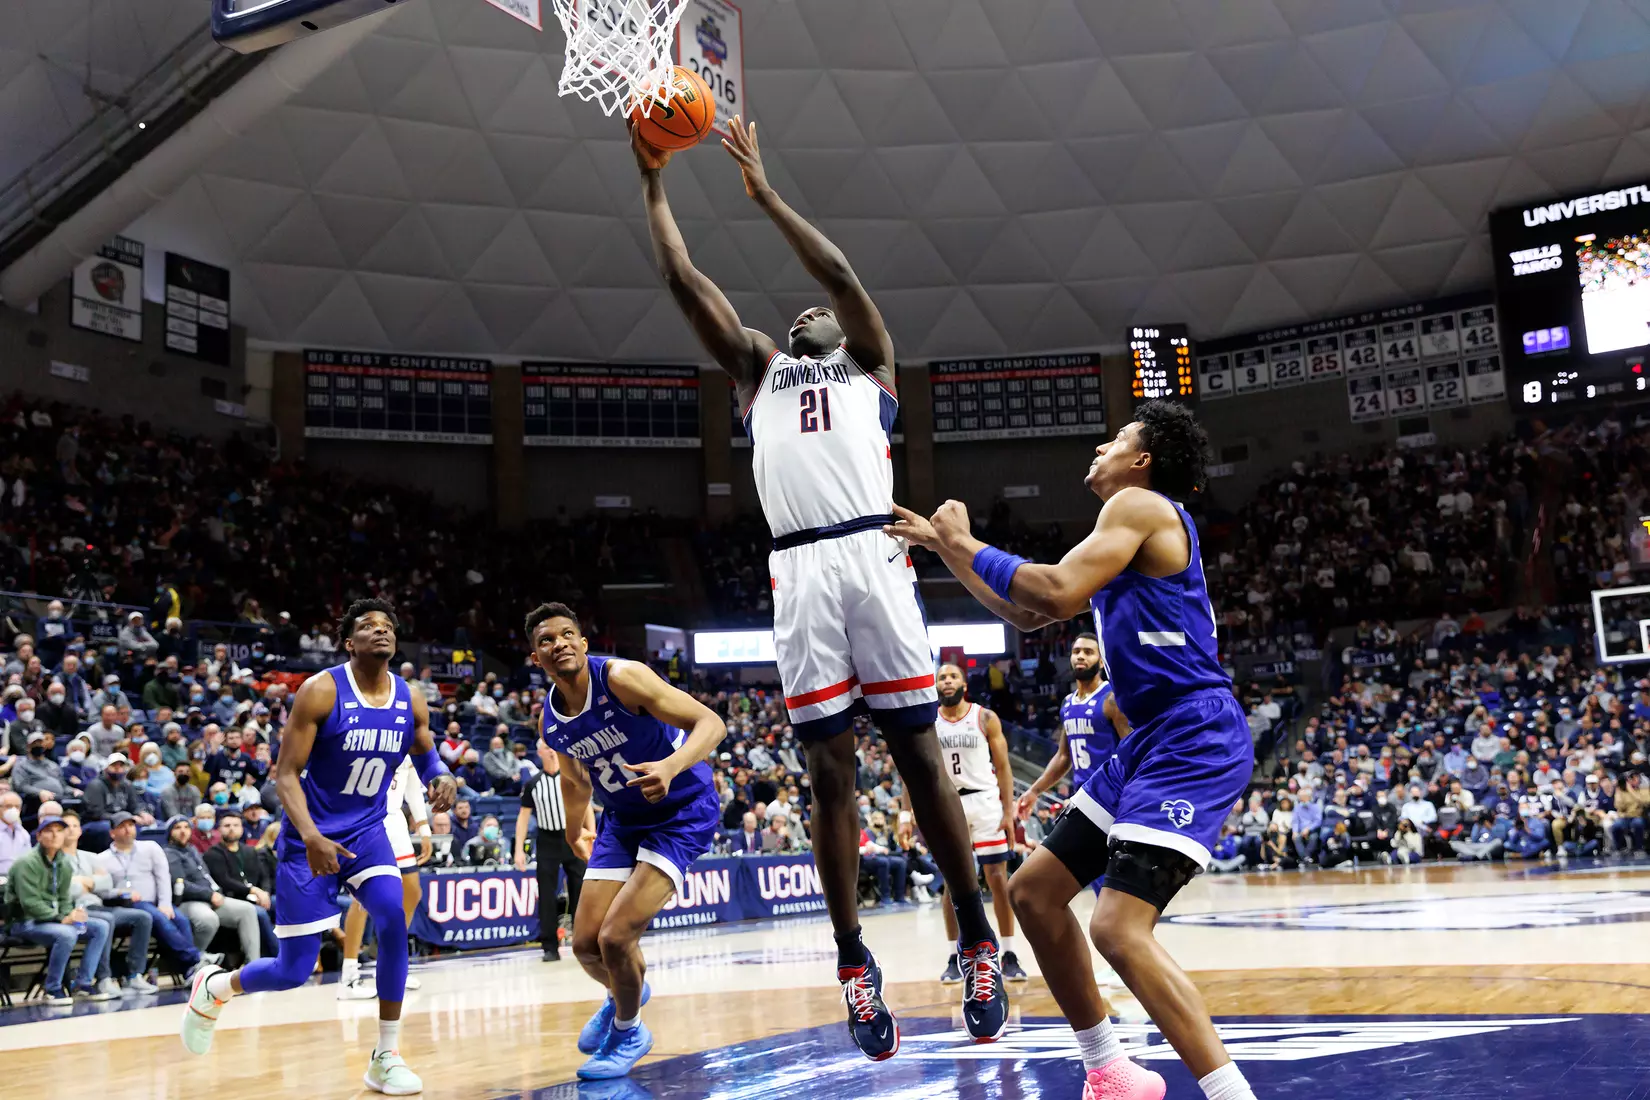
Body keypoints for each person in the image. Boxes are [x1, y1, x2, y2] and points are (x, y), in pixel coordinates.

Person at [636, 114, 1007, 1059]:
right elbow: (685, 282)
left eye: (817, 314)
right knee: (829, 776)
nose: (805, 314)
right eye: (794, 317)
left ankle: (975, 937)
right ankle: (852, 960)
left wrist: (763, 195)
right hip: (799, 566)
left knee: (922, 761)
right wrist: (654, 182)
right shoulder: (759, 371)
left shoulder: (872, 363)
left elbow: (839, 275)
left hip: (874, 557)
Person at [889, 400, 1259, 1100]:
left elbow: (1055, 592)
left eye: (1117, 438)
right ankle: (1111, 1071)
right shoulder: (1124, 524)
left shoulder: (1142, 505)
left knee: (1118, 928)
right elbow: (1030, 611)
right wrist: (947, 549)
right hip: (1152, 736)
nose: (1101, 445)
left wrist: (962, 542)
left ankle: (1231, 1095)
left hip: (1192, 732)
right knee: (1033, 892)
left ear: (1143, 460)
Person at [179, 599, 457, 1098]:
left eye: (388, 626)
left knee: (394, 917)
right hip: (310, 835)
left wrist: (441, 774)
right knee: (294, 969)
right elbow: (285, 774)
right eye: (368, 627)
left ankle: (386, 1056)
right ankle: (216, 987)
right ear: (349, 642)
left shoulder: (411, 697)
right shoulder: (321, 691)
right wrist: (310, 836)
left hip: (369, 830)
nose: (381, 632)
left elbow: (424, 745)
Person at [530, 602, 726, 1079]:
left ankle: (629, 1027)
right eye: (546, 640)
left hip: (681, 811)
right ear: (536, 658)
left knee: (617, 937)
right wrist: (579, 827)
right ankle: (628, 990)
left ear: (583, 642)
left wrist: (671, 766)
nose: (559, 644)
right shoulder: (551, 720)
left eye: (567, 634)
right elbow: (575, 780)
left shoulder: (622, 677)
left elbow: (712, 724)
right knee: (584, 944)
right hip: (622, 818)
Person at [932, 662, 1028, 984]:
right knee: (952, 882)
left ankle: (1010, 953)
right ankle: (952, 956)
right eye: (942, 677)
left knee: (998, 879)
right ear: (936, 685)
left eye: (953, 676)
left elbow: (1003, 767)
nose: (947, 681)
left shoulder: (985, 717)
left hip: (985, 800)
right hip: (948, 804)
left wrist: (1007, 810)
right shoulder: (929, 723)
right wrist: (908, 813)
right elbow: (912, 770)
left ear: (963, 684)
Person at [1015, 633, 1129, 885]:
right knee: (1070, 879)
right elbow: (1063, 757)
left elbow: (1131, 749)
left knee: (1108, 879)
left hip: (1111, 798)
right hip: (1081, 799)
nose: (1080, 656)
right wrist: (1034, 790)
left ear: (1101, 662)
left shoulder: (1111, 698)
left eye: (1088, 652)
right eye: (1076, 651)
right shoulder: (1067, 703)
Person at [338, 756, 432, 999]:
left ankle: (390, 963)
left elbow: (412, 787)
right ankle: (348, 976)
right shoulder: (367, 732)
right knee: (363, 899)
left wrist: (423, 828)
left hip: (395, 820)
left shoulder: (408, 735)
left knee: (412, 891)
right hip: (366, 820)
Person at [3, 812, 118, 1004]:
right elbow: (30, 904)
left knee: (100, 927)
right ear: (38, 836)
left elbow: (65, 898)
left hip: (52, 919)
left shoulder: (64, 863)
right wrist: (61, 918)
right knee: (66, 933)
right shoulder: (27, 863)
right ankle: (53, 988)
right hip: (24, 921)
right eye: (49, 831)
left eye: (59, 831)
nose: (55, 835)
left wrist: (70, 913)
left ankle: (83, 983)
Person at [98, 811, 216, 975]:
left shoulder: (150, 847)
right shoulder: (102, 859)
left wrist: (165, 903)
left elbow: (163, 877)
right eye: (122, 826)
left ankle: (190, 971)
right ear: (112, 833)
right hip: (128, 904)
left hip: (156, 901)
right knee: (159, 918)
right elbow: (101, 890)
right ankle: (195, 958)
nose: (128, 830)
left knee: (181, 920)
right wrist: (120, 892)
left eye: (131, 825)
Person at [61, 810, 158, 995]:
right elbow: (67, 891)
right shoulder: (56, 859)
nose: (71, 830)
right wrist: (86, 882)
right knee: (106, 920)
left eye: (75, 826)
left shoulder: (91, 856)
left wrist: (85, 882)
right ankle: (104, 978)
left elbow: (106, 884)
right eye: (67, 827)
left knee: (143, 917)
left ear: (81, 830)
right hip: (76, 910)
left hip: (99, 905)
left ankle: (134, 976)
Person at [515, 744, 594, 962]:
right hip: (547, 840)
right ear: (539, 753)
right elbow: (523, 818)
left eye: (552, 748)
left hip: (572, 836)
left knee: (580, 891)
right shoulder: (533, 783)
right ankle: (550, 947)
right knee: (547, 895)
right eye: (545, 749)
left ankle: (583, 942)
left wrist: (591, 835)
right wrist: (518, 850)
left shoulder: (569, 778)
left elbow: (585, 805)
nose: (550, 751)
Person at [164, 815, 263, 962]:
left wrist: (214, 893)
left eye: (186, 827)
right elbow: (180, 885)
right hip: (187, 901)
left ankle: (254, 965)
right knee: (208, 920)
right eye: (177, 828)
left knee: (247, 910)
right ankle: (193, 961)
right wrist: (209, 895)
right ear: (170, 833)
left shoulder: (192, 850)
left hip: (210, 897)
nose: (183, 831)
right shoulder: (169, 853)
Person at [202, 810, 278, 959]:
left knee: (287, 904)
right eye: (227, 825)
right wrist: (253, 890)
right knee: (260, 913)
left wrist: (266, 892)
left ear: (242, 829)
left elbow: (264, 877)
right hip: (233, 899)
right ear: (219, 829)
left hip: (257, 897)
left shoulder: (250, 851)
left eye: (236, 825)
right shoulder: (212, 853)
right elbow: (225, 881)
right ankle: (279, 958)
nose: (232, 828)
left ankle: (303, 954)